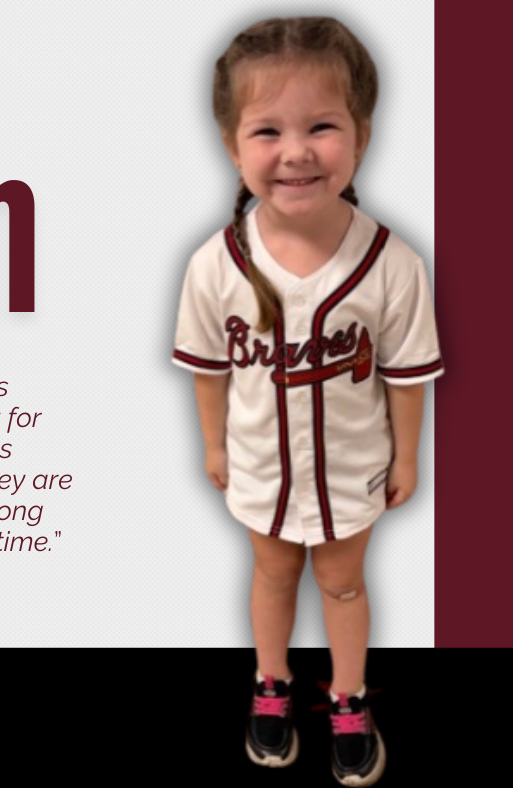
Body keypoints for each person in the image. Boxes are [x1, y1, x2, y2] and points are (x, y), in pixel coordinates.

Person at [171, 17, 442, 787]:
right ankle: (271, 684)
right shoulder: (214, 263)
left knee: (344, 582)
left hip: (353, 467)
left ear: (360, 134)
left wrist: (407, 456)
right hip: (260, 465)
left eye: (322, 125)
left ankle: (350, 697)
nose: (295, 151)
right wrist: (215, 446)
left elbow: (408, 372)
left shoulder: (392, 264)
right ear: (232, 145)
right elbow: (208, 368)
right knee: (271, 575)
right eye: (267, 130)